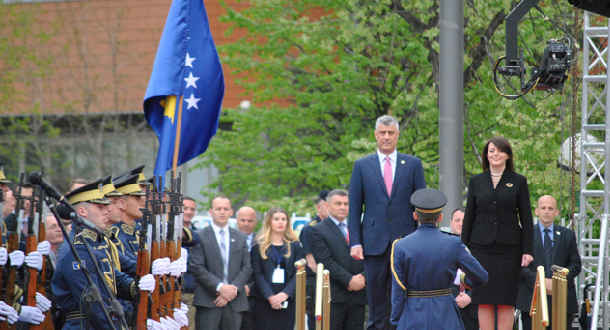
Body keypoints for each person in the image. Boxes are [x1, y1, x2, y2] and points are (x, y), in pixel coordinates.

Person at [348, 115, 427, 330]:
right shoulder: (362, 166)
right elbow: (354, 208)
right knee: (375, 301)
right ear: (375, 135)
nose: (386, 136)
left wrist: (423, 238)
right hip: (373, 244)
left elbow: (421, 205)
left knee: (402, 297)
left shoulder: (412, 164)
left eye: (390, 132)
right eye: (382, 132)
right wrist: (355, 242)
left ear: (397, 135)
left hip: (406, 242)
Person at [51, 180, 158, 329]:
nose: (107, 210)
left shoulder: (95, 242)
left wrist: (137, 288)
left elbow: (113, 279)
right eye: (100, 207)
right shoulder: (78, 248)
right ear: (82, 211)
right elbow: (94, 305)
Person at [461, 136, 534, 330]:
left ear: (508, 155)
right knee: (483, 299)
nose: (496, 154)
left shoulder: (518, 181)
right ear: (486, 154)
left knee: (505, 301)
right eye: (492, 150)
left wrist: (528, 250)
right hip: (481, 249)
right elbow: (469, 217)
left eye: (500, 151)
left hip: (510, 249)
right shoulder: (476, 181)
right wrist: (463, 248)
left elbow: (526, 218)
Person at [391, 188, 488, 330]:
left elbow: (398, 291)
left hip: (413, 316)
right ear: (440, 217)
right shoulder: (453, 243)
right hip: (446, 315)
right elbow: (482, 277)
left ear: (415, 216)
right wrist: (463, 281)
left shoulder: (401, 246)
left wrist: (396, 322)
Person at [516, 195, 581, 330]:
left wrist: (556, 281)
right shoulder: (524, 234)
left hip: (562, 300)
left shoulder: (567, 235)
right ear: (536, 211)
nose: (546, 211)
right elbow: (519, 264)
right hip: (531, 298)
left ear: (556, 212)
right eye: (543, 208)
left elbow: (575, 265)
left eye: (550, 208)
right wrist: (541, 282)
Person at [189, 196, 251, 330]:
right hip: (208, 301)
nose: (222, 212)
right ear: (211, 212)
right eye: (218, 209)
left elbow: (246, 267)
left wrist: (232, 290)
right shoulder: (199, 236)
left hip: (235, 301)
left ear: (231, 212)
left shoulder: (240, 237)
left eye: (225, 209)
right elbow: (197, 267)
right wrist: (220, 288)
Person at [311, 189, 367, 330]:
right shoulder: (318, 230)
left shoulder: (360, 228)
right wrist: (349, 280)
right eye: (338, 203)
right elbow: (325, 261)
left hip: (359, 294)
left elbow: (371, 257)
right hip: (334, 297)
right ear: (328, 206)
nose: (342, 207)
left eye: (346, 204)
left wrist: (363, 277)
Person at [250, 207, 302, 330]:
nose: (280, 222)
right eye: (276, 219)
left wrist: (285, 294)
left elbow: (298, 274)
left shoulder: (295, 246)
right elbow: (256, 273)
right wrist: (270, 296)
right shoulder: (258, 246)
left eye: (283, 219)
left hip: (287, 301)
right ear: (269, 222)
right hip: (263, 300)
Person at [298, 190, 328, 330]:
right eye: (327, 205)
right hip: (316, 280)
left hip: (331, 281)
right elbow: (311, 262)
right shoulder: (310, 229)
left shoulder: (337, 228)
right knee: (315, 320)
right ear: (319, 207)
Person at [449, 208, 479, 330]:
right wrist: (455, 294)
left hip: (473, 307)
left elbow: (486, 274)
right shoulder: (442, 245)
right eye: (457, 220)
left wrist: (471, 296)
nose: (461, 224)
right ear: (450, 222)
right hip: (449, 304)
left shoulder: (479, 247)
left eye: (464, 220)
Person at [236, 206, 257, 330]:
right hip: (232, 295)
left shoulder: (263, 241)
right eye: (243, 220)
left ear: (255, 221)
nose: (246, 224)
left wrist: (250, 286)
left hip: (255, 296)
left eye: (250, 221)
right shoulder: (228, 239)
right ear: (237, 220)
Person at [182, 196, 198, 330]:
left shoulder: (199, 234)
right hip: (168, 290)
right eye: (185, 208)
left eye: (192, 209)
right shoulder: (165, 232)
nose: (188, 211)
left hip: (191, 292)